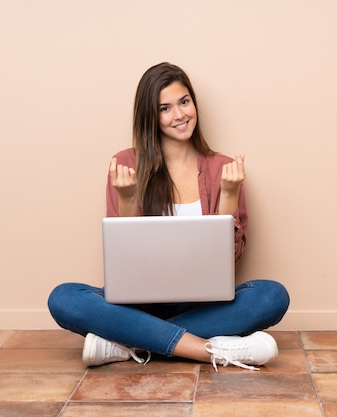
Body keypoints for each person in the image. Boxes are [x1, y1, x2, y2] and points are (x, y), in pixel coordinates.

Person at [48, 62, 290, 371]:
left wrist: (229, 193)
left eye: (184, 102)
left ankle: (128, 340)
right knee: (64, 298)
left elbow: (230, 260)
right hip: (138, 303)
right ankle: (210, 350)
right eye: (165, 108)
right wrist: (127, 199)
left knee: (272, 296)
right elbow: (123, 262)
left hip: (202, 304)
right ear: (150, 116)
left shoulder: (222, 169)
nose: (179, 115)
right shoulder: (125, 164)